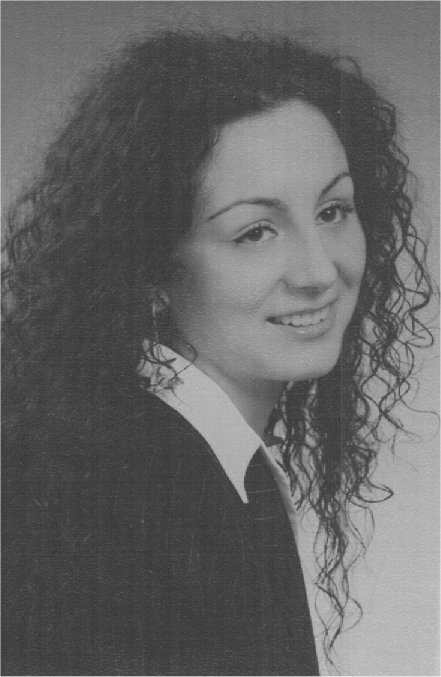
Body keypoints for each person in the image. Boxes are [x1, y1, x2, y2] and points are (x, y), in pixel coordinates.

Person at [2, 31, 433, 676]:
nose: (319, 272)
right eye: (255, 232)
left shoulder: (183, 460)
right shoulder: (118, 502)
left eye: (333, 211)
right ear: (148, 264)